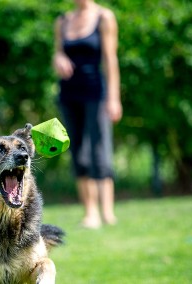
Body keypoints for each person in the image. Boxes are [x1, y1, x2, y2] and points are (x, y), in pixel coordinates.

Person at [53, 0, 122, 229]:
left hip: (97, 93)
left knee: (100, 150)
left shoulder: (104, 17)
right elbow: (58, 53)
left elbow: (110, 59)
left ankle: (108, 212)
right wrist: (59, 58)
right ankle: (90, 212)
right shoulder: (62, 21)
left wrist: (114, 98)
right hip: (69, 95)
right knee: (78, 152)